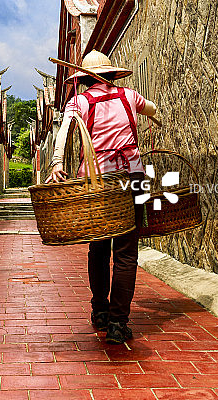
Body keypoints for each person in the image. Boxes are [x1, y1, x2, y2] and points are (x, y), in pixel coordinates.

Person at [46, 50, 157, 344]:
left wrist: (57, 163)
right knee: (126, 252)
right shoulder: (130, 96)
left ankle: (100, 312)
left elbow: (65, 131)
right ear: (112, 74)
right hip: (131, 178)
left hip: (96, 181)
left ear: (83, 79)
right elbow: (153, 108)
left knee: (98, 248)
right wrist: (147, 114)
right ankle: (119, 324)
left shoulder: (78, 101)